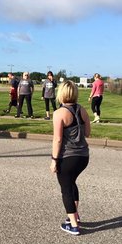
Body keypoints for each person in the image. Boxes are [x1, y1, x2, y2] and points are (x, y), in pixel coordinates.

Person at [50, 80, 90, 236]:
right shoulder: (82, 110)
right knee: (72, 183)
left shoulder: (59, 113)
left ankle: (73, 225)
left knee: (66, 188)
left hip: (68, 157)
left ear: (61, 93)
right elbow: (87, 133)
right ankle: (75, 215)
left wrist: (54, 160)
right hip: (83, 156)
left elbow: (57, 139)